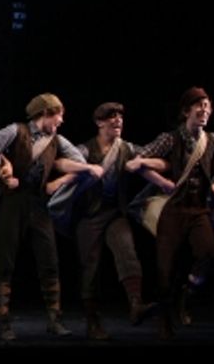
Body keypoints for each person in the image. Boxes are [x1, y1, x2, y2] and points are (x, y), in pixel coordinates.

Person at [125, 87, 214, 339]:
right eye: (199, 106)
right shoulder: (170, 138)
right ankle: (164, 320)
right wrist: (161, 181)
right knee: (164, 269)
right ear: (186, 111)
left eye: (207, 107)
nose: (204, 110)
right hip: (173, 210)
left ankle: (186, 291)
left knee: (209, 255)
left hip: (198, 208)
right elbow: (135, 161)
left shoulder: (212, 141)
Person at [0, 93, 104, 341]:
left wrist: (59, 180)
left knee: (49, 259)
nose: (60, 121)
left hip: (38, 203)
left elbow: (79, 162)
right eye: (58, 116)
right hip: (13, 200)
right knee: (5, 260)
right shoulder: (17, 130)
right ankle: (4, 321)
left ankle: (54, 319)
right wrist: (4, 170)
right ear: (45, 114)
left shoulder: (57, 140)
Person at [50, 102, 158, 339]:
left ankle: (135, 305)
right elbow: (59, 162)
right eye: (111, 117)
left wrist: (142, 163)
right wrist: (85, 167)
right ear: (100, 122)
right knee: (91, 266)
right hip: (89, 215)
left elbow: (156, 156)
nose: (117, 120)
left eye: (120, 117)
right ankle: (92, 321)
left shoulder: (126, 148)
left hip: (114, 213)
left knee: (127, 251)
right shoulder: (86, 149)